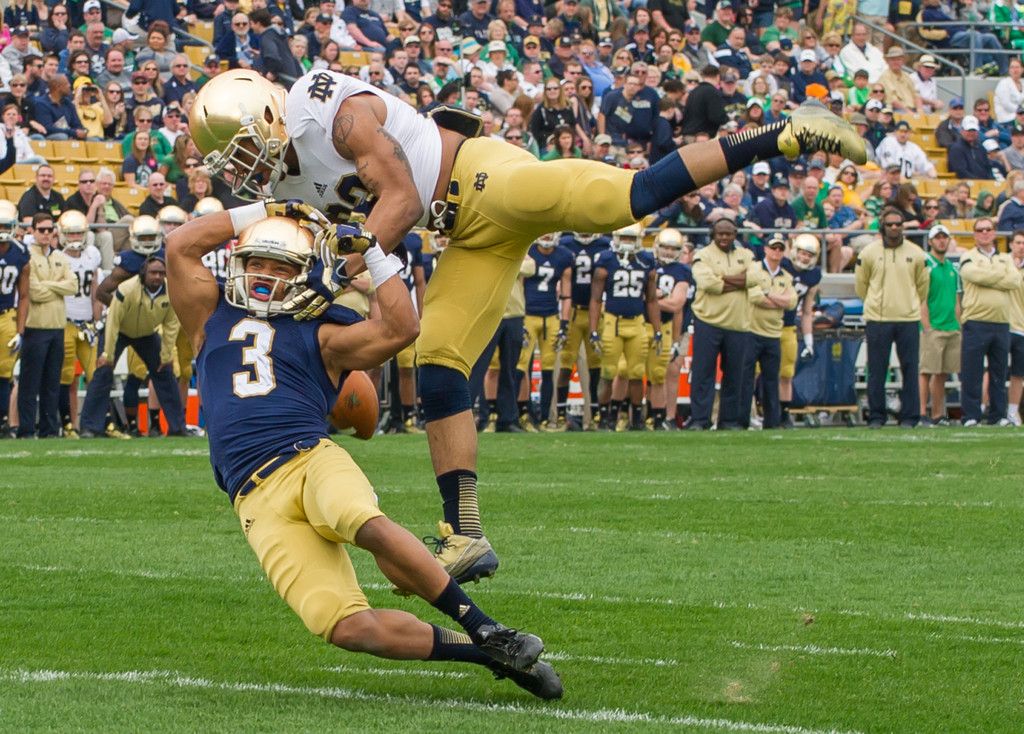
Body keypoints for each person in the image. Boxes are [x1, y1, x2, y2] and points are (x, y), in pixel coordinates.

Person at [189, 67, 865, 581]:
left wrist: (342, 267)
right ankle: (466, 533)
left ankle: (783, 132)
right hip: (464, 237)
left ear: (273, 112)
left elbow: (397, 196)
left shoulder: (323, 107)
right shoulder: (281, 183)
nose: (248, 168)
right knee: (439, 360)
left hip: (483, 180)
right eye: (234, 163)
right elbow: (354, 243)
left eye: (247, 148)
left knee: (621, 199)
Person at [163, 210, 562, 697]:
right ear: (237, 263)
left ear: (304, 273)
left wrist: (373, 251)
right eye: (256, 262)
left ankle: (486, 627)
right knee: (343, 626)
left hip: (307, 458)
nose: (266, 275)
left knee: (360, 520)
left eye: (282, 267)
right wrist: (269, 209)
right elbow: (180, 244)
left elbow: (401, 329)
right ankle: (486, 653)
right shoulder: (208, 317)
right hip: (251, 498)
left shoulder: (323, 333)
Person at [78, 255, 188, 438]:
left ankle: (177, 427)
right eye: (153, 273)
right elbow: (112, 321)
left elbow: (171, 324)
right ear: (143, 274)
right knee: (103, 372)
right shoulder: (126, 289)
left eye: (161, 273)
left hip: (147, 333)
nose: (157, 277)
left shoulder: (171, 291)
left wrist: (166, 354)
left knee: (165, 372)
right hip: (119, 330)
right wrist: (108, 354)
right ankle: (89, 427)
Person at [854, 208, 929, 428]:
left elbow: (922, 286)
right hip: (878, 318)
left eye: (898, 224)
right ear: (882, 227)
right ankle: (876, 416)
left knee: (910, 369)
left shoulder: (916, 253)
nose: (894, 228)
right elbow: (861, 285)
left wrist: (910, 303)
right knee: (877, 369)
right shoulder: (868, 253)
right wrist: (874, 303)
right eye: (890, 224)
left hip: (907, 318)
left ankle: (909, 417)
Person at [687, 217, 759, 431]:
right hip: (708, 321)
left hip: (738, 324)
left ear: (735, 234)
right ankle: (700, 420)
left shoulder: (746, 254)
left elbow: (755, 278)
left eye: (728, 234)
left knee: (734, 376)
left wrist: (723, 278)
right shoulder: (703, 255)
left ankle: (729, 421)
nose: (724, 237)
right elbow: (707, 283)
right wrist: (740, 281)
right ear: (713, 234)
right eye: (720, 234)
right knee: (703, 374)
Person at [589, 224, 659, 431]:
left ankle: (636, 419)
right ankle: (605, 418)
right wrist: (594, 330)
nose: (628, 243)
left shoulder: (646, 260)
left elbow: (652, 300)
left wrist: (656, 330)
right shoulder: (606, 260)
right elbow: (595, 299)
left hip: (637, 321)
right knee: (609, 372)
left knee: (637, 372)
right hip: (613, 321)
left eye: (631, 239)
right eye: (624, 238)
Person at [957, 217, 1022, 426]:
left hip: (1002, 322)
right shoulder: (968, 256)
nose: (984, 233)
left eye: (988, 229)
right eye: (980, 230)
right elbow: (971, 274)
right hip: (976, 320)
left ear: (994, 233)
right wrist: (998, 278)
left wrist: (989, 276)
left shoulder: (1005, 258)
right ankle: (971, 415)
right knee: (972, 372)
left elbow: (1014, 280)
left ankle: (998, 415)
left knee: (999, 372)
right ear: (975, 234)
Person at [19, 212, 77, 438]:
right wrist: (58, 285)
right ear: (32, 230)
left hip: (57, 327)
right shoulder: (27, 256)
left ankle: (49, 428)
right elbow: (33, 292)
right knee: (29, 383)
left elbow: (73, 286)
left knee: (52, 382)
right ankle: (25, 428)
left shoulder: (60, 256)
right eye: (41, 229)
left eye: (49, 229)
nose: (45, 234)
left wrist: (48, 285)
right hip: (35, 327)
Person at [516, 232, 573, 431]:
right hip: (529, 315)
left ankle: (545, 417)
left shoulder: (564, 255)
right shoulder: (528, 251)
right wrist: (521, 319)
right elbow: (520, 286)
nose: (547, 235)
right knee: (522, 367)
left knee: (548, 370)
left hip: (551, 318)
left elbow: (566, 293)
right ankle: (522, 413)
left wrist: (564, 324)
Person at [740, 234, 796, 429]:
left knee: (772, 381)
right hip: (752, 330)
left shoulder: (786, 276)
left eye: (780, 249)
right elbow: (755, 297)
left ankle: (772, 421)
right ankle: (742, 419)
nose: (777, 252)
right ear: (766, 249)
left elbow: (792, 302)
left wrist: (768, 294)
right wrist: (778, 300)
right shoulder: (755, 269)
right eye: (774, 248)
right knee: (747, 379)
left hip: (773, 333)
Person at [55, 210, 102, 437]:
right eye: (70, 233)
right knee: (66, 376)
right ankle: (67, 423)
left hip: (86, 323)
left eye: (78, 233)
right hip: (65, 321)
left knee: (95, 373)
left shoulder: (92, 254)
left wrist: (96, 318)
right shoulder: (58, 257)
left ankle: (96, 424)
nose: (74, 238)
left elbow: (94, 289)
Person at [918, 224, 960, 426]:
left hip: (951, 326)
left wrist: (958, 324)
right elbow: (921, 298)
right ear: (931, 241)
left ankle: (937, 414)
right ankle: (921, 413)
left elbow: (957, 300)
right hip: (933, 326)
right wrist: (926, 326)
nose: (942, 241)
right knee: (926, 371)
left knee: (942, 373)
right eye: (938, 237)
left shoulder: (952, 268)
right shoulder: (926, 264)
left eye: (945, 237)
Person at [0, 201, 29, 435]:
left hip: (6, 316)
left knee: (4, 371)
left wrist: (20, 331)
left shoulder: (20, 252)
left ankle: (3, 421)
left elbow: (25, 295)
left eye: (5, 226)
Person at [1008, 230, 1024, 426]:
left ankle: (1013, 412)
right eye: (1018, 242)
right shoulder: (1001, 264)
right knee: (992, 371)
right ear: (1011, 244)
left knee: (1018, 373)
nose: (1021, 246)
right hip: (1000, 324)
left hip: (1020, 326)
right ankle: (986, 410)